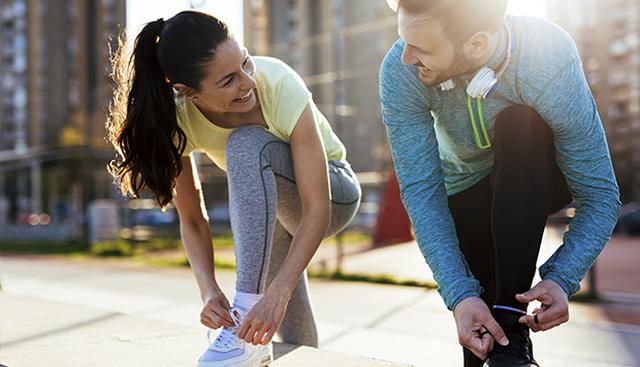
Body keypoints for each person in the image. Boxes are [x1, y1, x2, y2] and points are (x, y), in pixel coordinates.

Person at [106, 11, 361, 367]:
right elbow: (193, 220)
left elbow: (316, 209)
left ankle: (246, 307)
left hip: (334, 194)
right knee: (286, 335)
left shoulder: (278, 83)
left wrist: (277, 293)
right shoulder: (178, 120)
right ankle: (257, 339)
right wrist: (208, 290)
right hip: (271, 212)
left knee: (245, 144)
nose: (247, 83)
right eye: (228, 80)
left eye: (245, 63)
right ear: (187, 92)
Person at [379, 0, 620, 366]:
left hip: (536, 177)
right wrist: (460, 295)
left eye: (421, 48)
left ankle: (511, 315)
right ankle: (507, 345)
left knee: (519, 123)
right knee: (480, 336)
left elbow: (600, 194)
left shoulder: (546, 56)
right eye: (404, 40)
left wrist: (561, 277)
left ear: (476, 44)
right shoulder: (400, 73)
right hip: (464, 190)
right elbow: (422, 193)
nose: (405, 58)